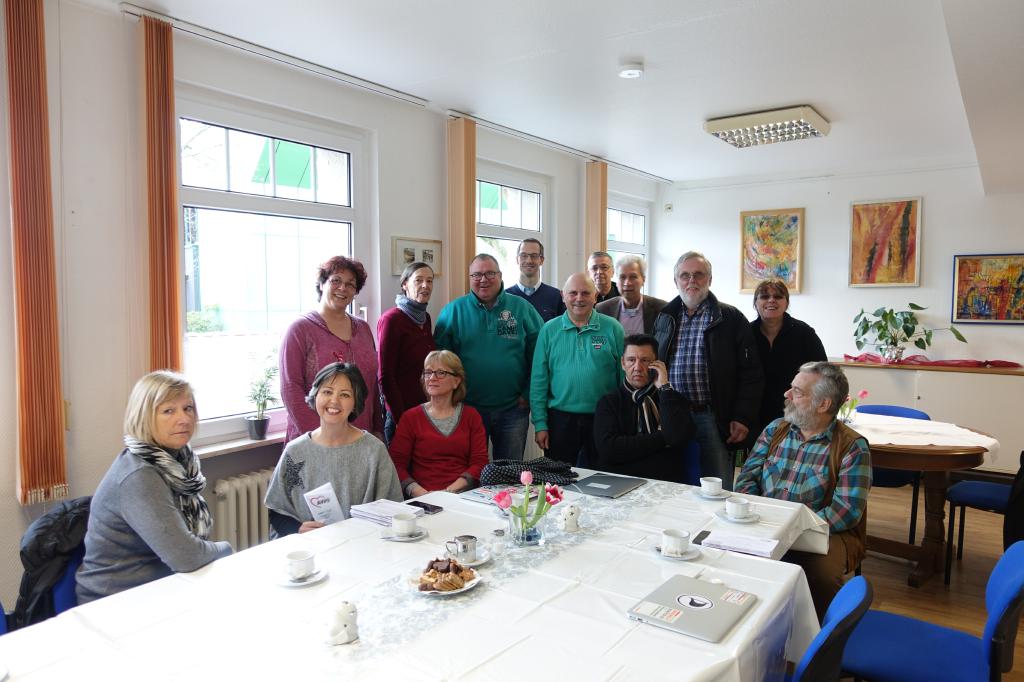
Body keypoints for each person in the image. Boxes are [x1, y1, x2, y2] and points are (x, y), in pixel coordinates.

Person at [77, 371, 232, 603]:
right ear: (143, 417)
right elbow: (187, 557)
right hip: (115, 599)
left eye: (188, 408)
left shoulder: (180, 461)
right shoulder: (139, 474)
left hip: (162, 584)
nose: (184, 419)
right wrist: (228, 548)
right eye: (168, 411)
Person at [735, 361, 871, 622]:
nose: (787, 394)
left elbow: (845, 512)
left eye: (797, 391)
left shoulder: (852, 447)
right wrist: (763, 521)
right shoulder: (776, 429)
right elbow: (746, 480)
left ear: (823, 404)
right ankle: (752, 624)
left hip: (824, 532)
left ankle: (818, 635)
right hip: (764, 523)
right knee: (726, 553)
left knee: (821, 574)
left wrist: (791, 530)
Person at [653, 251, 763, 490]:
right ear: (676, 281)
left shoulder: (730, 318)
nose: (691, 281)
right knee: (675, 482)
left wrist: (742, 417)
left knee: (717, 486)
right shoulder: (665, 317)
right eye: (685, 275)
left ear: (709, 279)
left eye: (698, 275)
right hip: (674, 415)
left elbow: (751, 374)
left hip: (713, 416)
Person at [265, 362, 402, 537]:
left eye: (345, 394)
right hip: (309, 546)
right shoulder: (295, 451)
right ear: (315, 395)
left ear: (355, 402)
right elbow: (276, 509)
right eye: (327, 392)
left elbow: (393, 511)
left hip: (362, 545)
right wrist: (297, 528)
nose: (334, 401)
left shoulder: (374, 451)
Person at [434, 254, 544, 461]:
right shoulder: (453, 311)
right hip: (467, 409)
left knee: (509, 471)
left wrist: (528, 393)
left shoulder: (522, 308)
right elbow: (441, 362)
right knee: (471, 470)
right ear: (470, 278)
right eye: (477, 275)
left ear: (500, 275)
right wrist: (452, 398)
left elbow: (540, 355)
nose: (483, 279)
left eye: (490, 274)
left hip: (513, 409)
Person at [280, 255, 384, 443]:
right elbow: (291, 389)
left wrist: (378, 429)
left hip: (361, 438)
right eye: (336, 280)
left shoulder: (363, 329)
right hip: (315, 440)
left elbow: (372, 385)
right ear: (322, 284)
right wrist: (322, 438)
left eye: (350, 284)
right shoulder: (300, 329)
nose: (343, 288)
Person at [531, 273, 624, 466]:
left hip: (603, 418)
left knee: (602, 477)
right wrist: (540, 424)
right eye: (573, 293)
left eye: (585, 293)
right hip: (559, 420)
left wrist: (623, 419)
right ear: (563, 296)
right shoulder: (549, 330)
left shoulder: (613, 328)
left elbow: (623, 377)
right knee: (559, 478)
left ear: (595, 296)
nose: (579, 298)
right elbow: (539, 380)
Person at [594, 334, 696, 482]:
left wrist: (664, 389)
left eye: (645, 360)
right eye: (631, 360)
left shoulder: (672, 399)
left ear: (657, 364)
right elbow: (609, 450)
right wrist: (663, 437)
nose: (637, 367)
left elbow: (678, 439)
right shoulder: (609, 402)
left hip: (665, 481)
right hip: (619, 479)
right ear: (622, 363)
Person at [389, 350, 488, 497]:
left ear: (456, 381)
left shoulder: (471, 416)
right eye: (428, 372)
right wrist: (421, 493)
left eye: (441, 373)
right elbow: (396, 464)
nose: (432, 378)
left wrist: (447, 492)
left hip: (462, 496)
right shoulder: (410, 417)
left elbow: (479, 463)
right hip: (422, 497)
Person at [750, 278, 827, 434]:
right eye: (764, 296)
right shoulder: (746, 333)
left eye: (778, 296)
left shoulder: (804, 333)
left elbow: (822, 372)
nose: (771, 300)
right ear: (756, 303)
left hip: (797, 411)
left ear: (786, 303)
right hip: (754, 413)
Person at [377, 261, 436, 443]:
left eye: (429, 281)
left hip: (425, 408)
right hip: (401, 415)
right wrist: (401, 419)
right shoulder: (391, 320)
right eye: (418, 280)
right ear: (405, 285)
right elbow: (385, 377)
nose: (425, 285)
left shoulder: (425, 318)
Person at [596, 255, 667, 335]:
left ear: (643, 280)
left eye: (633, 277)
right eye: (622, 277)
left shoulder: (661, 309)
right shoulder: (602, 309)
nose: (627, 283)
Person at [506, 238, 565, 322]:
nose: (529, 260)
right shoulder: (505, 297)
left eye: (534, 256)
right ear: (517, 259)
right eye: (524, 255)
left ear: (541, 260)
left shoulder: (556, 297)